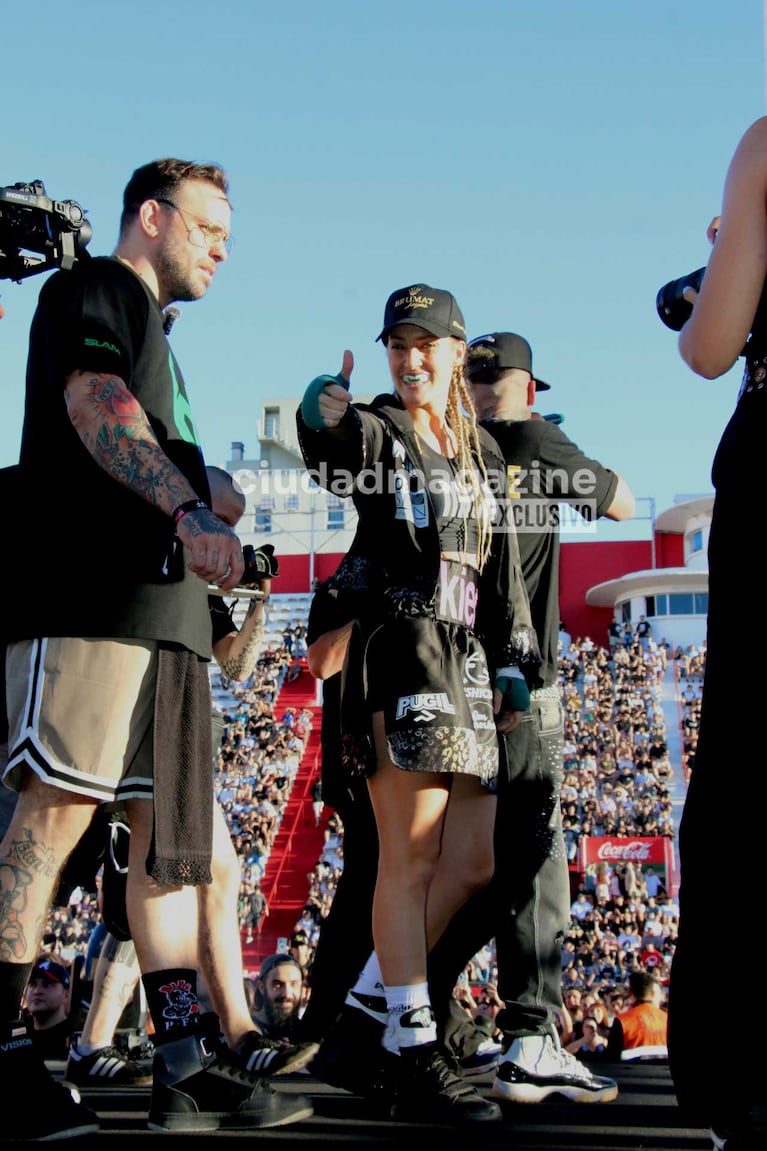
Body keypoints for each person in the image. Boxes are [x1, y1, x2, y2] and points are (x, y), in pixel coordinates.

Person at [0, 158, 312, 1139]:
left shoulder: (162, 344)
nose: (222, 249)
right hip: (91, 598)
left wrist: (205, 493)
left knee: (165, 851)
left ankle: (179, 1054)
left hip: (163, 621)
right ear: (152, 216)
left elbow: (146, 430)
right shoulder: (95, 289)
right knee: (52, 817)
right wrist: (187, 496)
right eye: (210, 228)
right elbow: (94, 402)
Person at [296, 284, 540, 1125]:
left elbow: (499, 570)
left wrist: (513, 663)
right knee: (410, 860)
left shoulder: (478, 453)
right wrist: (319, 414)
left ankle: (365, 1016)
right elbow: (338, 447)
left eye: (424, 344)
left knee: (470, 861)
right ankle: (411, 1047)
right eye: (398, 345)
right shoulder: (384, 430)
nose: (410, 359)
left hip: (465, 657)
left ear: (455, 349)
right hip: (399, 650)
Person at [424, 330, 634, 1105]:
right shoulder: (531, 438)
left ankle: (420, 1003)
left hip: (450, 675)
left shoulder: (446, 445)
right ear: (528, 387)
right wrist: (550, 458)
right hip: (521, 680)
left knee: (472, 859)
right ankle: (530, 1031)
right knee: (535, 857)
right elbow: (618, 500)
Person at [666, 119, 767, 1150]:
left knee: (751, 763)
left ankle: (741, 1063)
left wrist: (724, 256)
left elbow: (708, 345)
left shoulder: (765, 145)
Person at [23, 959, 75, 1062]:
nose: (37, 991)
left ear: (66, 995)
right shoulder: (18, 1033)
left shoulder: (74, 1039)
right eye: (32, 984)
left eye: (47, 985)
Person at [251, 954, 305, 1045]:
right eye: (277, 985)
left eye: (294, 984)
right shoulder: (246, 1031)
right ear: (261, 987)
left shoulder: (307, 1034)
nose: (287, 994)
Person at [612, 971, 667, 1058]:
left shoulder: (622, 1021)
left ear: (630, 993)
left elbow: (611, 1061)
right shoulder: (666, 1019)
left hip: (630, 1071)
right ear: (653, 993)